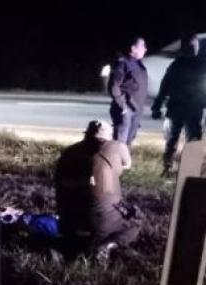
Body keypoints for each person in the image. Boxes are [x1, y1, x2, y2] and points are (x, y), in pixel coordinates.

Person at [54, 120, 140, 260]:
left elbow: (59, 185)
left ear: (86, 134)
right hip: (98, 222)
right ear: (108, 137)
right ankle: (109, 245)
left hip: (68, 222)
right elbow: (127, 165)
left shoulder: (69, 152)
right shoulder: (117, 146)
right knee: (135, 221)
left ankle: (76, 245)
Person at [151, 33, 205, 176]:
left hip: (192, 110)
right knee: (172, 140)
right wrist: (156, 106)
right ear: (185, 47)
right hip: (178, 109)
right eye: (193, 45)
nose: (196, 48)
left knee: (192, 141)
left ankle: (191, 169)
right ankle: (168, 167)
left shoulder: (200, 65)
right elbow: (164, 87)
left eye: (196, 45)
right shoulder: (177, 66)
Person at [107, 37, 148, 147]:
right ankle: (115, 163)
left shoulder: (139, 65)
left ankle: (124, 163)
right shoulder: (123, 64)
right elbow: (113, 86)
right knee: (120, 144)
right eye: (142, 46)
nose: (145, 49)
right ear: (133, 48)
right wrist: (123, 106)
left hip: (136, 110)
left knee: (128, 143)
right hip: (126, 111)